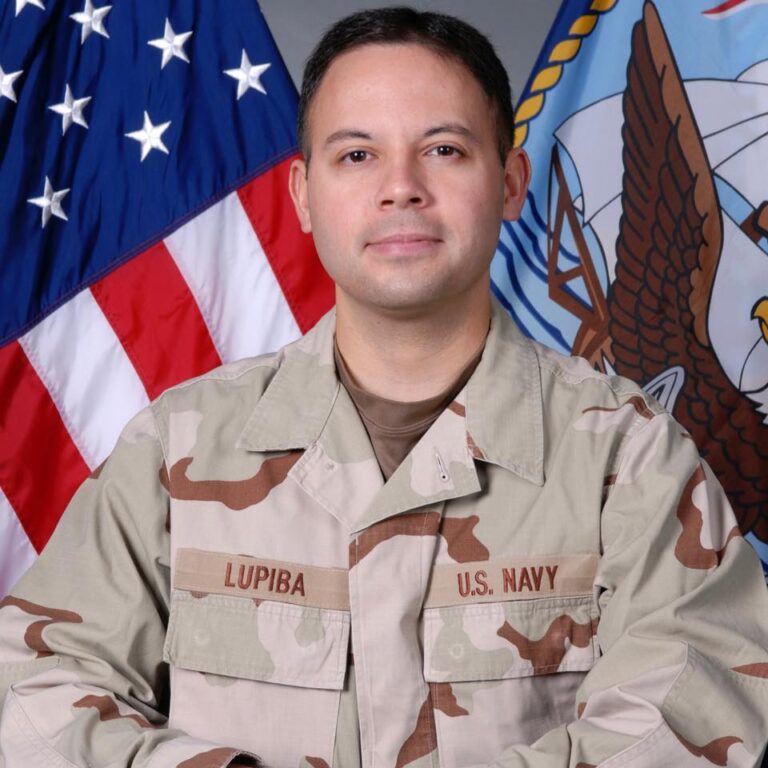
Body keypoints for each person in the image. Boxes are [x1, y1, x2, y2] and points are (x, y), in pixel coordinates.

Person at [1, 6, 767, 768]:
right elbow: (31, 688)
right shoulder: (177, 449)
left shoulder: (627, 459)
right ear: (302, 193)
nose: (402, 188)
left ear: (509, 182)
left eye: (444, 149)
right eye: (357, 156)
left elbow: (693, 706)